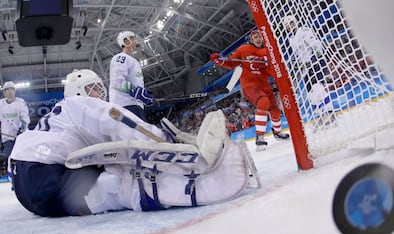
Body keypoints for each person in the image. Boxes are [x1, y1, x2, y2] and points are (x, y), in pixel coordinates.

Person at [10, 69, 249, 217]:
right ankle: (211, 183)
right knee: (124, 183)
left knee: (104, 188)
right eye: (92, 88)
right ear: (78, 91)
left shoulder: (59, 118)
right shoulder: (76, 104)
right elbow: (117, 121)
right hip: (45, 173)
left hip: (32, 194)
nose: (99, 95)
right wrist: (166, 142)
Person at [210, 29, 289, 151]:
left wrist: (273, 65)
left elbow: (271, 72)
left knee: (275, 110)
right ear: (251, 40)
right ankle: (260, 137)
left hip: (264, 85)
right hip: (250, 85)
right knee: (263, 102)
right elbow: (232, 63)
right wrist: (221, 61)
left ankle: (277, 132)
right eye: (255, 37)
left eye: (259, 37)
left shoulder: (266, 52)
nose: (258, 39)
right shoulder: (244, 49)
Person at [283, 15, 334, 124]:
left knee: (317, 87)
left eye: (291, 23)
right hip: (306, 66)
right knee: (311, 92)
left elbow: (316, 45)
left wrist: (314, 59)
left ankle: (330, 113)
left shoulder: (304, 31)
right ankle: (319, 115)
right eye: (287, 25)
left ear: (295, 22)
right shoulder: (291, 39)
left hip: (316, 62)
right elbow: (298, 54)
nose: (290, 26)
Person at [109, 31, 153, 121]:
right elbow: (117, 82)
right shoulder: (120, 57)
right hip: (124, 105)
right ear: (126, 41)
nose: (136, 42)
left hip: (135, 106)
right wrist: (137, 91)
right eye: (133, 39)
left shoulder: (134, 61)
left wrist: (143, 96)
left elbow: (137, 86)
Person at [0, 81, 30, 179]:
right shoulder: (1, 104)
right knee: (11, 158)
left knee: (22, 157)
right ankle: (13, 179)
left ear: (15, 91)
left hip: (20, 136)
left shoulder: (20, 102)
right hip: (6, 136)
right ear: (4, 92)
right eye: (7, 90)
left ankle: (24, 178)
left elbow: (25, 117)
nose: (10, 92)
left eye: (12, 89)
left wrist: (22, 128)